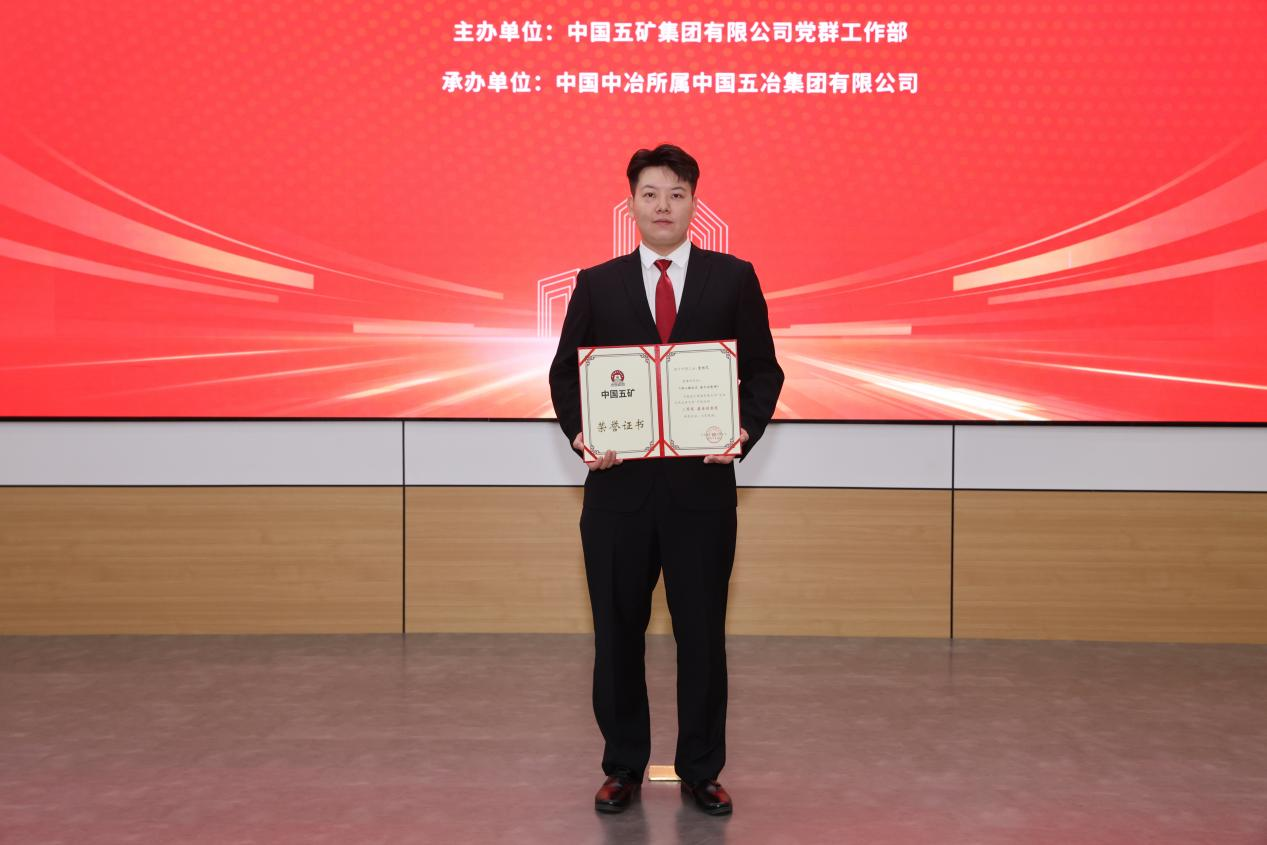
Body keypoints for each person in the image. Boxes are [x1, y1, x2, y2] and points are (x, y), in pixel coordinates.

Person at [548, 143, 784, 816]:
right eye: (650, 194)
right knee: (616, 634)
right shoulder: (596, 283)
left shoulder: (733, 278)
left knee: (702, 636)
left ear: (694, 204)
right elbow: (566, 374)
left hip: (700, 494)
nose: (663, 206)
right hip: (617, 494)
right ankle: (622, 765)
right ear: (630, 204)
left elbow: (763, 371)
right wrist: (581, 434)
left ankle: (701, 769)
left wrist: (742, 430)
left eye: (676, 194)